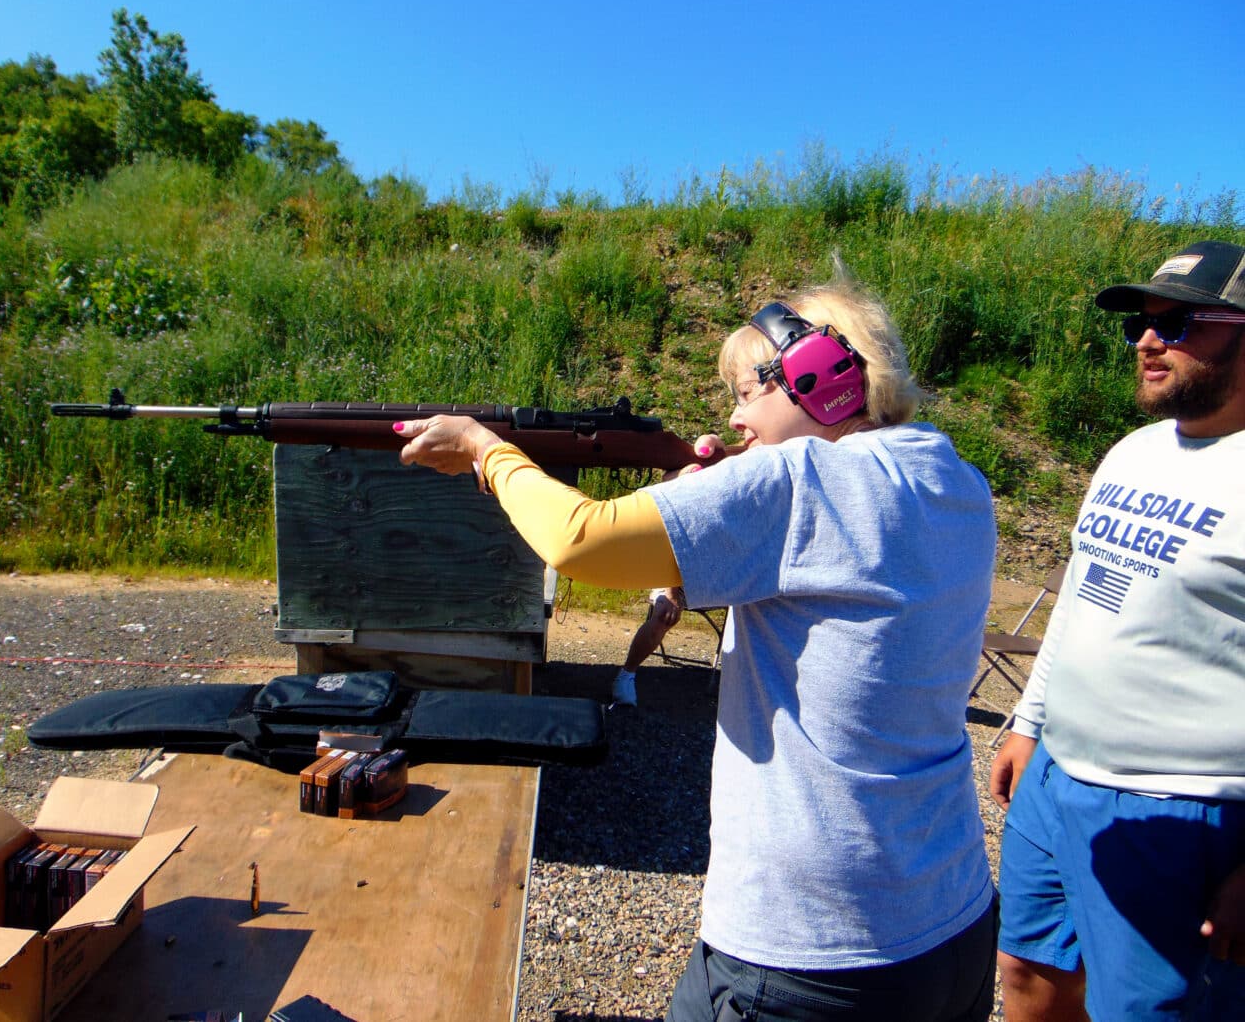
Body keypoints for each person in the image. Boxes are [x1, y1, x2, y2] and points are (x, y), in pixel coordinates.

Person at [397, 267, 1000, 1021]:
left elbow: (577, 540)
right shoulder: (956, 477)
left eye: (749, 391)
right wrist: (706, 505)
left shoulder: (798, 481)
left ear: (823, 380)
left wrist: (488, 452)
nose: (737, 418)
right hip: (950, 919)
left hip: (809, 952)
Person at [990, 239, 1245, 1020]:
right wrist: (1030, 722)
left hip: (1185, 813)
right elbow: (1084, 597)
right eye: (1141, 320)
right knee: (1029, 977)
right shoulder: (1132, 452)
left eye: (1179, 322)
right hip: (1059, 780)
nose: (1146, 338)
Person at [612, 585, 687, 706]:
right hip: (676, 583)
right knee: (664, 614)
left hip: (720, 583)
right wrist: (672, 595)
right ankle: (626, 675)